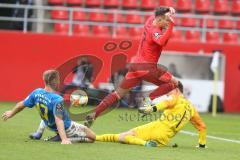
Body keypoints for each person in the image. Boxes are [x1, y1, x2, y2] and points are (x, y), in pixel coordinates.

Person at [85, 6, 178, 126]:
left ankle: (94, 114)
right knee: (173, 83)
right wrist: (171, 26)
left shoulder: (150, 20)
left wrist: (168, 10)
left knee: (118, 93)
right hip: (147, 68)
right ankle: (148, 100)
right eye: (167, 20)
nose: (168, 23)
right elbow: (161, 41)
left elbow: (158, 15)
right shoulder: (155, 31)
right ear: (160, 19)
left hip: (135, 66)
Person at [96, 82, 207, 148]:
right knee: (125, 136)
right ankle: (147, 143)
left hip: (157, 128)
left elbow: (166, 103)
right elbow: (202, 127)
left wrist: (151, 109)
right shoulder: (191, 108)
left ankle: (145, 143)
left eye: (169, 90)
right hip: (166, 138)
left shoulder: (175, 98)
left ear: (177, 90)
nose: (167, 92)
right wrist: (201, 145)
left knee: (124, 136)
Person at [2, 70, 96, 144]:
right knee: (92, 137)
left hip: (49, 124)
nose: (59, 81)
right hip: (67, 127)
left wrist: (11, 113)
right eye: (58, 79)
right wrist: (64, 139)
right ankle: (64, 137)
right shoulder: (57, 99)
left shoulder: (36, 92)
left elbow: (21, 105)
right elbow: (59, 120)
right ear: (54, 81)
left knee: (49, 110)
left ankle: (38, 133)